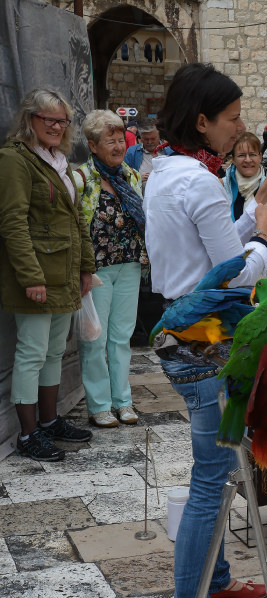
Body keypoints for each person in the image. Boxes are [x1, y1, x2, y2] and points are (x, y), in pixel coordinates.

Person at [146, 63, 267, 598]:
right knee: (211, 482)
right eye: (232, 119)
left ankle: (215, 582)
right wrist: (263, 232)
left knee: (215, 473)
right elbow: (236, 275)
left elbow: (211, 255)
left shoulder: (167, 173)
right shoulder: (202, 182)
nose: (240, 130)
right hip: (208, 347)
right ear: (201, 120)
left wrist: (259, 200)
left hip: (186, 335)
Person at [0, 89, 95, 462]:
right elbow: (12, 223)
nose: (56, 126)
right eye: (48, 119)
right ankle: (27, 434)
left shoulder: (59, 162)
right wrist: (30, 277)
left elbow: (76, 220)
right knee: (32, 353)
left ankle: (50, 421)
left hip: (65, 275)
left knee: (55, 350)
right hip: (37, 277)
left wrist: (87, 267)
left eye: (62, 120)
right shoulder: (14, 160)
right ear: (29, 120)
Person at [73, 109, 147, 429]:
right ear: (92, 145)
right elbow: (75, 226)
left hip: (129, 263)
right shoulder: (82, 179)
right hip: (97, 269)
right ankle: (100, 405)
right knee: (95, 339)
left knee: (121, 337)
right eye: (110, 140)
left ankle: (124, 401)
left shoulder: (130, 175)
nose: (118, 146)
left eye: (121, 139)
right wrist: (81, 270)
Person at [224, 132, 267, 285]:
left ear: (260, 156)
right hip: (230, 274)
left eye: (253, 154)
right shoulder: (221, 188)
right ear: (233, 159)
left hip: (266, 278)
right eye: (242, 155)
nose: (248, 160)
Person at [124, 118, 164, 192]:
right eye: (146, 139)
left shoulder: (170, 152)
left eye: (153, 138)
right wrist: (137, 179)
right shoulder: (132, 152)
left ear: (159, 135)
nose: (149, 142)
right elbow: (123, 179)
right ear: (140, 137)